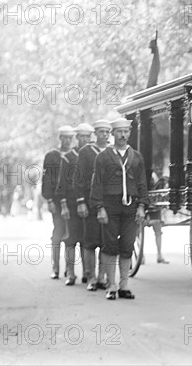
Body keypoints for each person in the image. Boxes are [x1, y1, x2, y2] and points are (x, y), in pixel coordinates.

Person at [90, 117, 148, 300]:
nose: (123, 135)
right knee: (109, 245)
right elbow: (97, 183)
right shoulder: (103, 156)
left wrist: (142, 206)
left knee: (127, 245)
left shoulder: (136, 156)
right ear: (112, 134)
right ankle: (111, 285)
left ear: (129, 133)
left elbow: (142, 183)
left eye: (126, 132)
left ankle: (124, 286)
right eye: (119, 132)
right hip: (110, 205)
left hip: (131, 206)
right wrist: (99, 207)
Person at [55, 123, 94, 286]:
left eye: (87, 136)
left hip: (89, 203)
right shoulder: (68, 157)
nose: (84, 139)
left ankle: (88, 272)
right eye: (81, 136)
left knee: (88, 239)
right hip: (71, 204)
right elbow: (61, 184)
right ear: (76, 138)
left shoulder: (94, 155)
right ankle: (70, 273)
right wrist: (63, 206)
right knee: (71, 238)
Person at [75, 119, 111, 291]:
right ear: (95, 133)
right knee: (89, 241)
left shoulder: (113, 151)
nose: (104, 134)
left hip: (109, 202)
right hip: (90, 201)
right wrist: (80, 201)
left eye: (107, 132)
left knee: (106, 241)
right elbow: (79, 178)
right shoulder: (86, 152)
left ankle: (102, 276)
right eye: (101, 131)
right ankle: (91, 276)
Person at [42, 125, 75, 279]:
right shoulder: (52, 156)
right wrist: (49, 200)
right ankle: (55, 267)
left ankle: (70, 270)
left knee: (72, 234)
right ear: (60, 138)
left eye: (70, 138)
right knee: (58, 231)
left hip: (73, 199)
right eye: (65, 138)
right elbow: (47, 179)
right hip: (56, 199)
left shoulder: (76, 155)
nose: (68, 141)